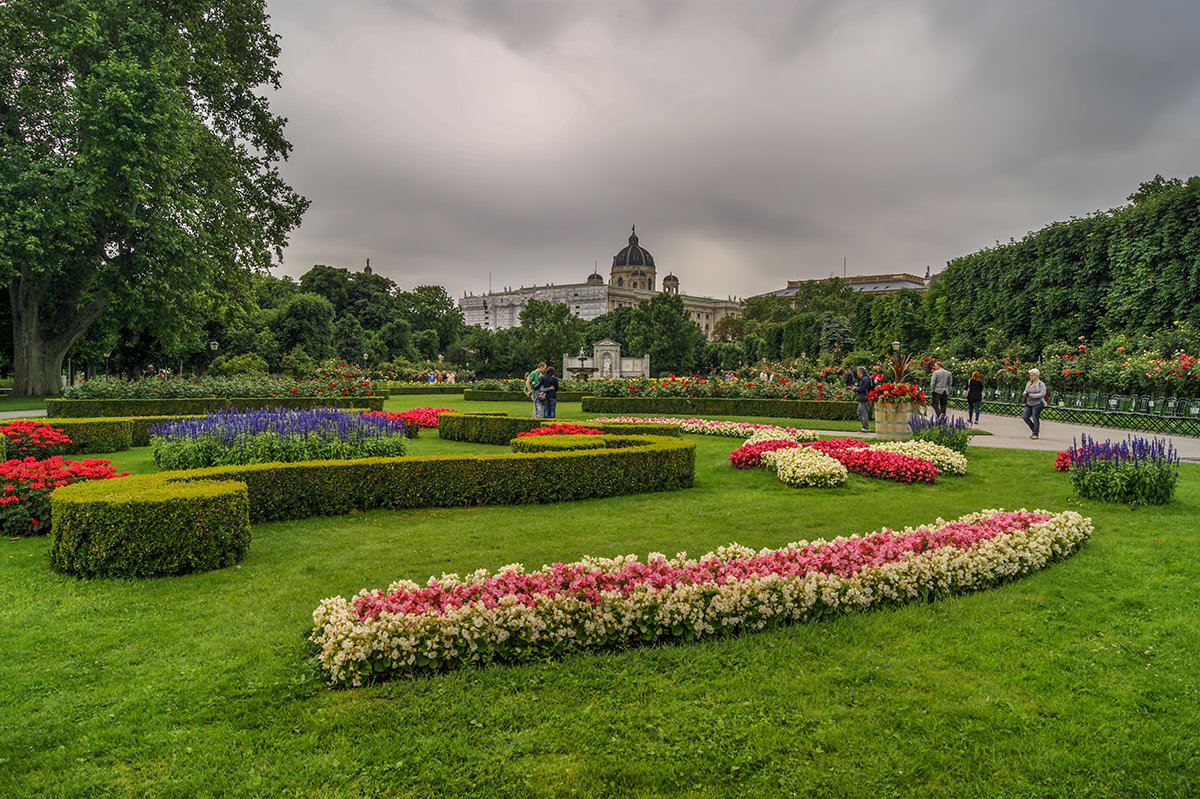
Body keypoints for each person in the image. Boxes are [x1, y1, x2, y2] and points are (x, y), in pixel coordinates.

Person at [1022, 367, 1047, 439]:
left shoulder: (1040, 384)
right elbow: (1025, 390)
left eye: (1032, 375)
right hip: (1029, 402)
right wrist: (1025, 393)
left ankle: (1036, 434)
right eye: (1030, 375)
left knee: (1035, 418)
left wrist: (1033, 396)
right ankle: (1034, 429)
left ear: (1036, 376)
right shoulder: (1029, 383)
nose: (1031, 377)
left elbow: (1043, 393)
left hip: (1037, 403)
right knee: (1025, 417)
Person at [853, 366, 874, 434]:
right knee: (859, 412)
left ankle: (865, 428)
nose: (857, 373)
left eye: (857, 372)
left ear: (860, 372)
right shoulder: (866, 378)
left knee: (863, 413)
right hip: (863, 398)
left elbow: (863, 388)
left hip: (864, 398)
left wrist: (855, 389)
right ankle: (864, 426)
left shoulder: (865, 379)